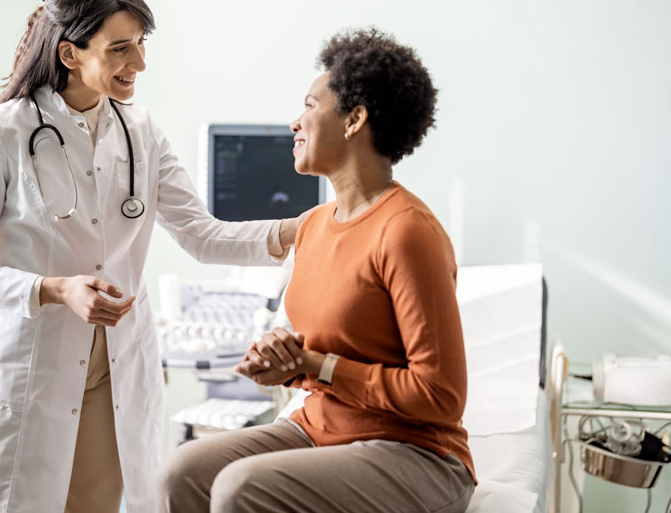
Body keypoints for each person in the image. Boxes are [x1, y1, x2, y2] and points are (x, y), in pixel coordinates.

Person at [0, 0, 304, 513]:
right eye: (120, 49)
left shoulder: (141, 132)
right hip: (32, 371)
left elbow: (201, 236)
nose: (139, 63)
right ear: (70, 54)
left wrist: (303, 229)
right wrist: (56, 289)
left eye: (140, 45)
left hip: (114, 375)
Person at [157, 28, 476, 513]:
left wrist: (316, 367)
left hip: (415, 452)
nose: (295, 122)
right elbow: (324, 353)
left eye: (309, 105)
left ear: (355, 120)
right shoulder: (313, 227)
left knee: (240, 488)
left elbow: (440, 396)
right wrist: (284, 363)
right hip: (319, 429)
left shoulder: (408, 231)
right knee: (178, 473)